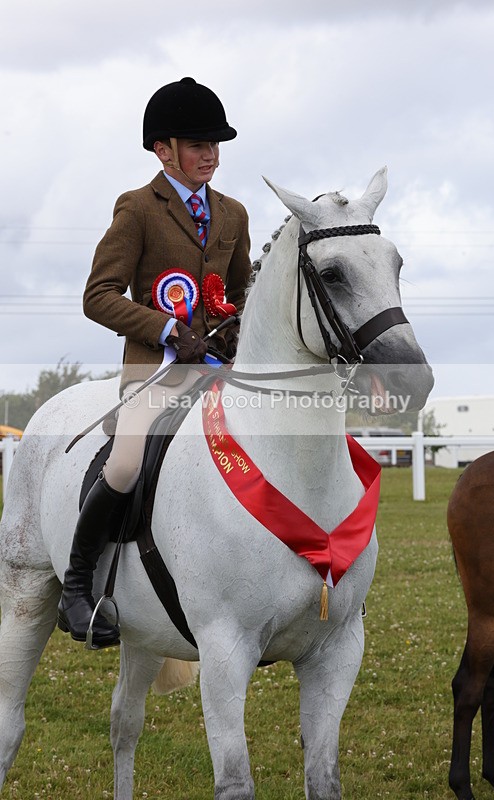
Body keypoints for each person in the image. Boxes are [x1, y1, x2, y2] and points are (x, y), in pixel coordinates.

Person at [57, 77, 252, 648]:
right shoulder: (139, 209)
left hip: (217, 371)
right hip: (156, 371)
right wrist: (170, 328)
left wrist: (236, 327)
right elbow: (99, 295)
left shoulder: (234, 214)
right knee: (123, 466)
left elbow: (240, 292)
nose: (209, 154)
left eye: (215, 144)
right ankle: (75, 585)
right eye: (197, 144)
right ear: (162, 150)